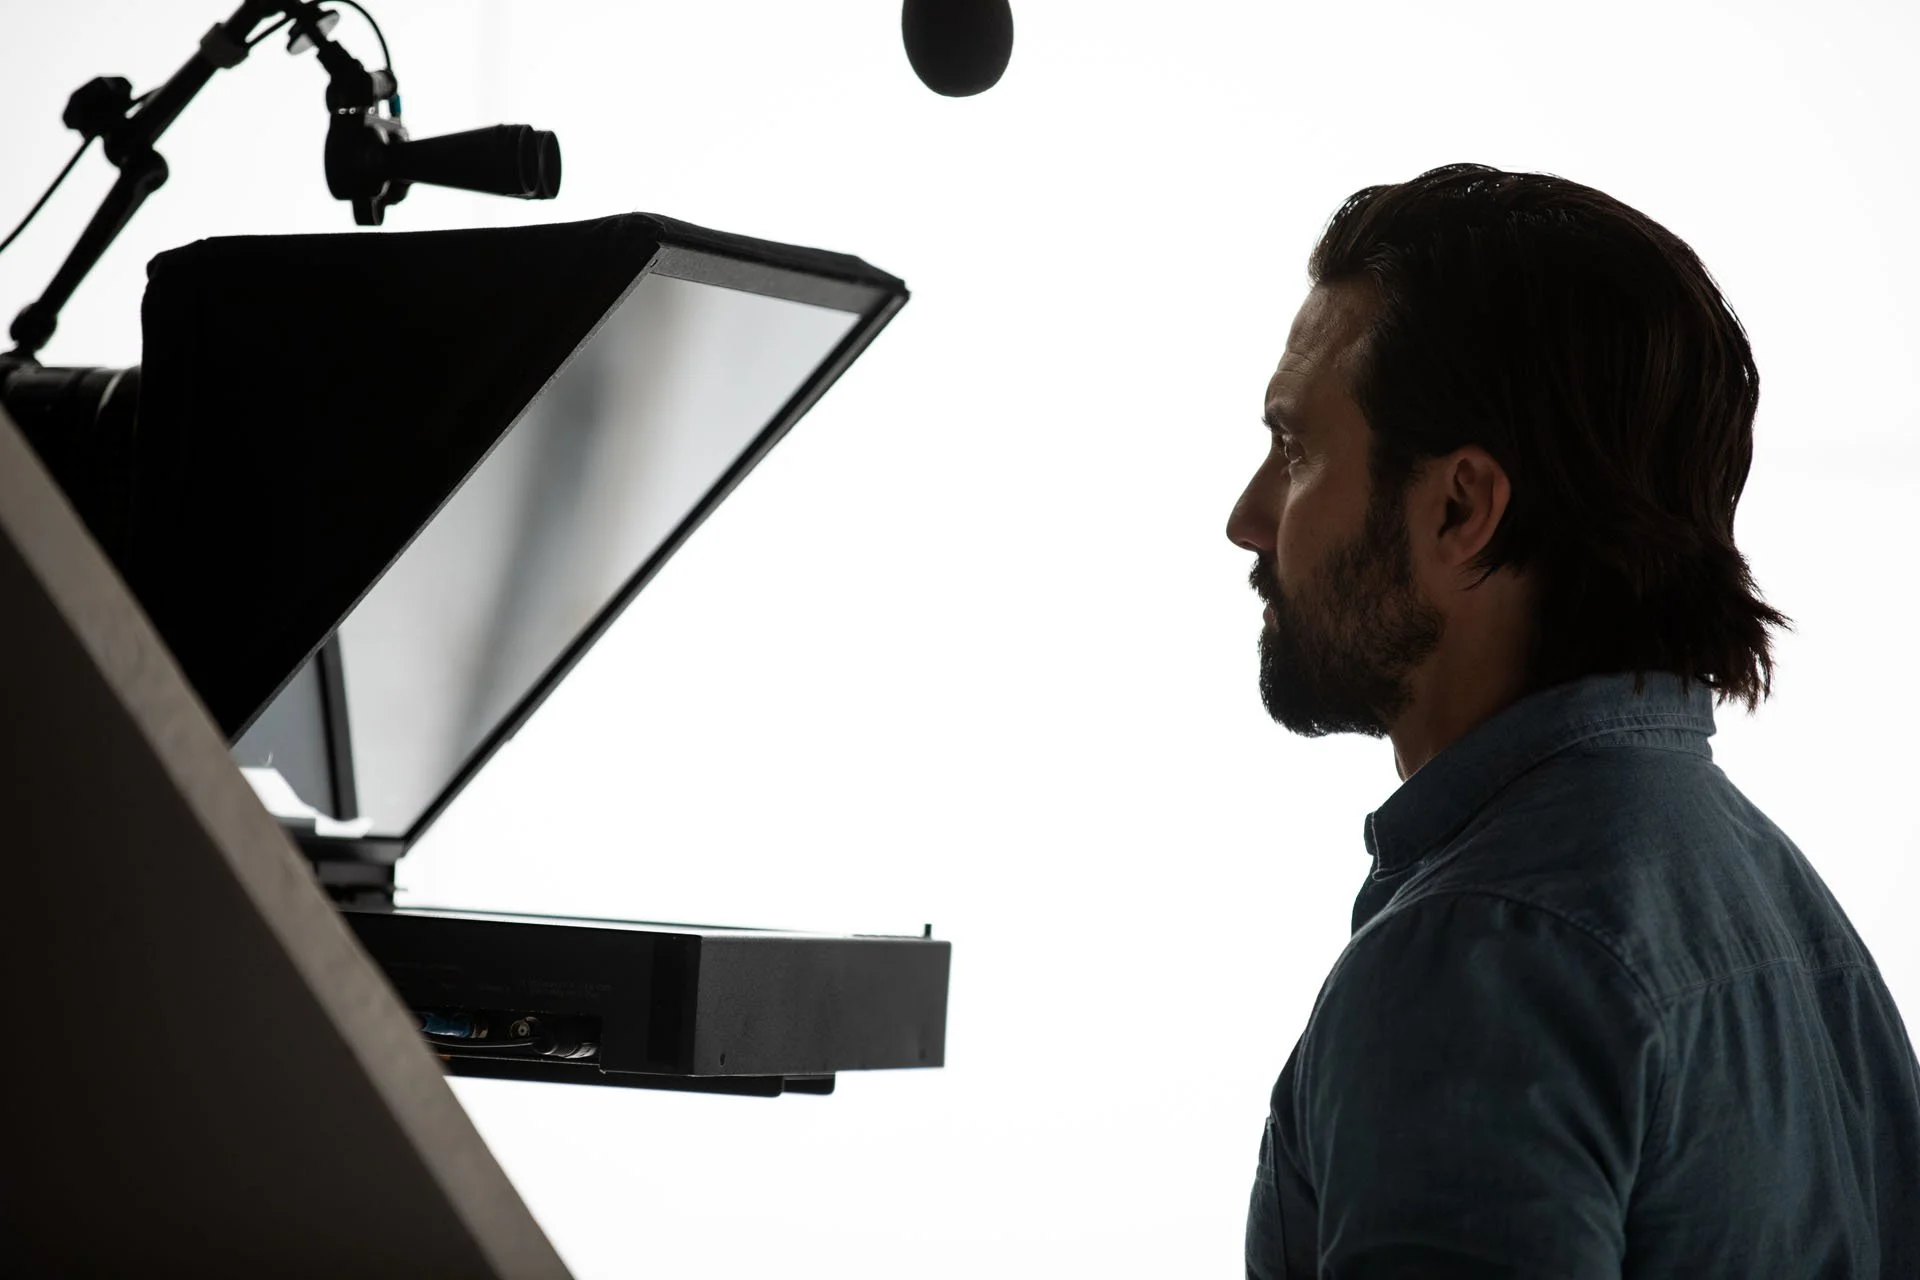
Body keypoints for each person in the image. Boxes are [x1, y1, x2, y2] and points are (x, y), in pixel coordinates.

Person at [1227, 162, 1920, 1278]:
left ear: (1460, 507)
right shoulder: (1788, 916)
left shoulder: (1479, 957)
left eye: (1298, 451)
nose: (1249, 518)